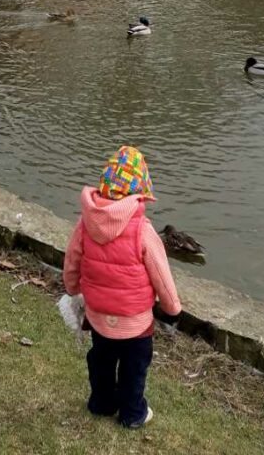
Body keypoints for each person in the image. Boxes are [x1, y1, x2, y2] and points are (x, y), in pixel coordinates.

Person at [63, 146, 181, 429]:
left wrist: (72, 287)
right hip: (135, 321)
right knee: (134, 368)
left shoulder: (85, 224)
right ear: (140, 190)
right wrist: (172, 308)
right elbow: (162, 277)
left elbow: (72, 261)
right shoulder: (144, 230)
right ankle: (132, 413)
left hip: (99, 315)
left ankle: (102, 403)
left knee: (101, 360)